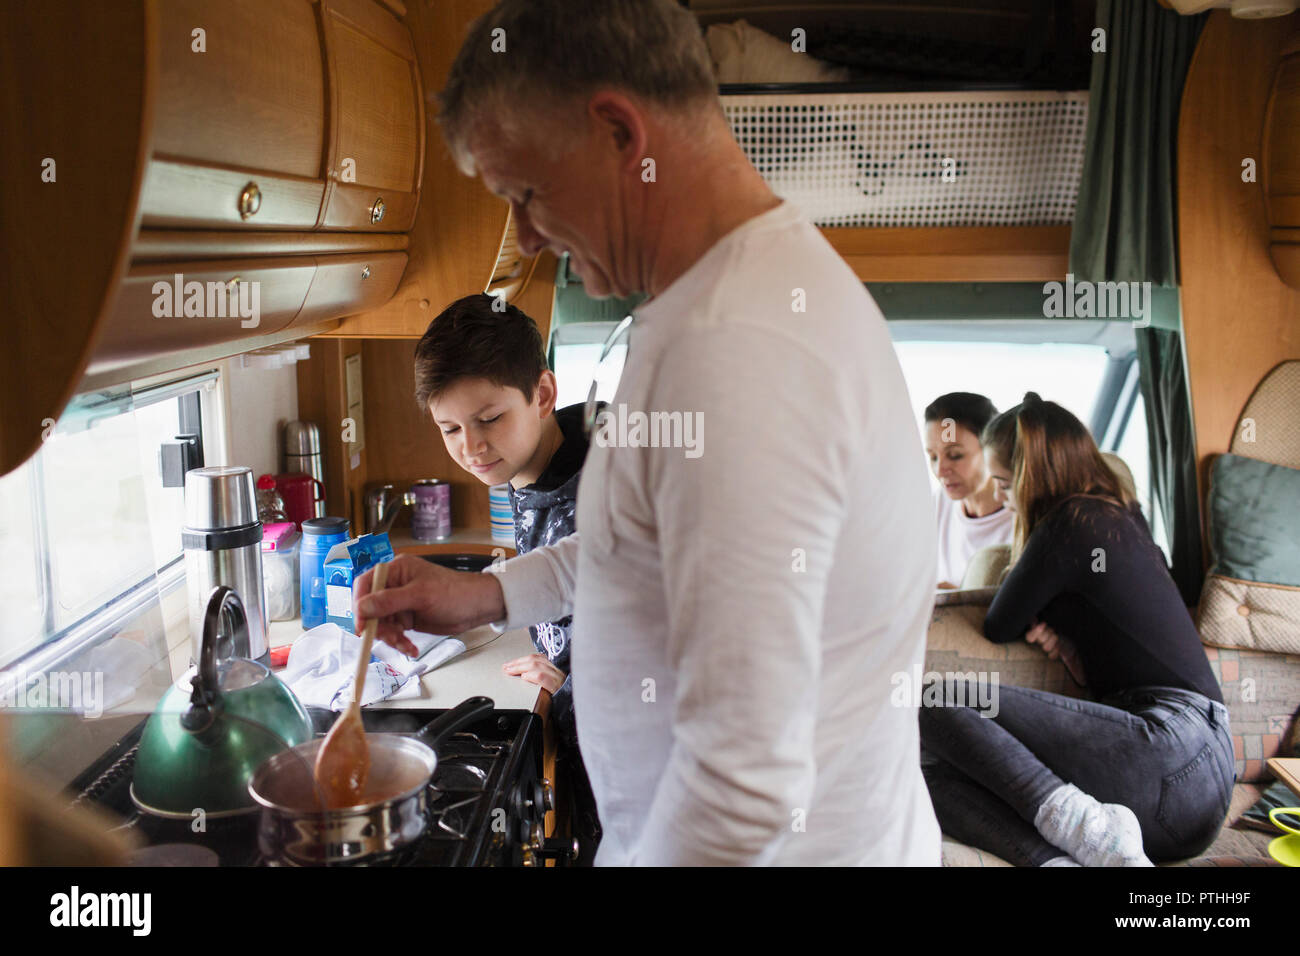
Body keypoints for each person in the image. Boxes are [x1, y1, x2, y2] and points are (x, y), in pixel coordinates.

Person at [355, 0, 940, 865]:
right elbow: (649, 542)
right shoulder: (720, 300)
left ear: (619, 133)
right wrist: (492, 596)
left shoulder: (736, 349)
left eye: (526, 193)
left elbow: (744, 781)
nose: (527, 237)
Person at [919, 393, 1233, 866]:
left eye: (1005, 484)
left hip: (1174, 744)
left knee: (933, 699)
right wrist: (1064, 624)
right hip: (1186, 798)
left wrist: (1046, 613)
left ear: (1030, 478)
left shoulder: (1071, 521)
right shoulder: (1117, 512)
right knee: (932, 782)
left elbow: (1000, 622)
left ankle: (1093, 833)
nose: (1002, 498)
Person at [411, 292, 602, 862]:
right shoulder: (538, 460)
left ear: (542, 395)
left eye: (489, 419)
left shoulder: (615, 473)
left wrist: (576, 686)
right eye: (449, 429)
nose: (471, 448)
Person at [923, 392, 1013, 588]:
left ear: (992, 450)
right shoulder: (940, 503)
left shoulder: (1022, 518)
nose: (940, 470)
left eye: (955, 455)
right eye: (933, 457)